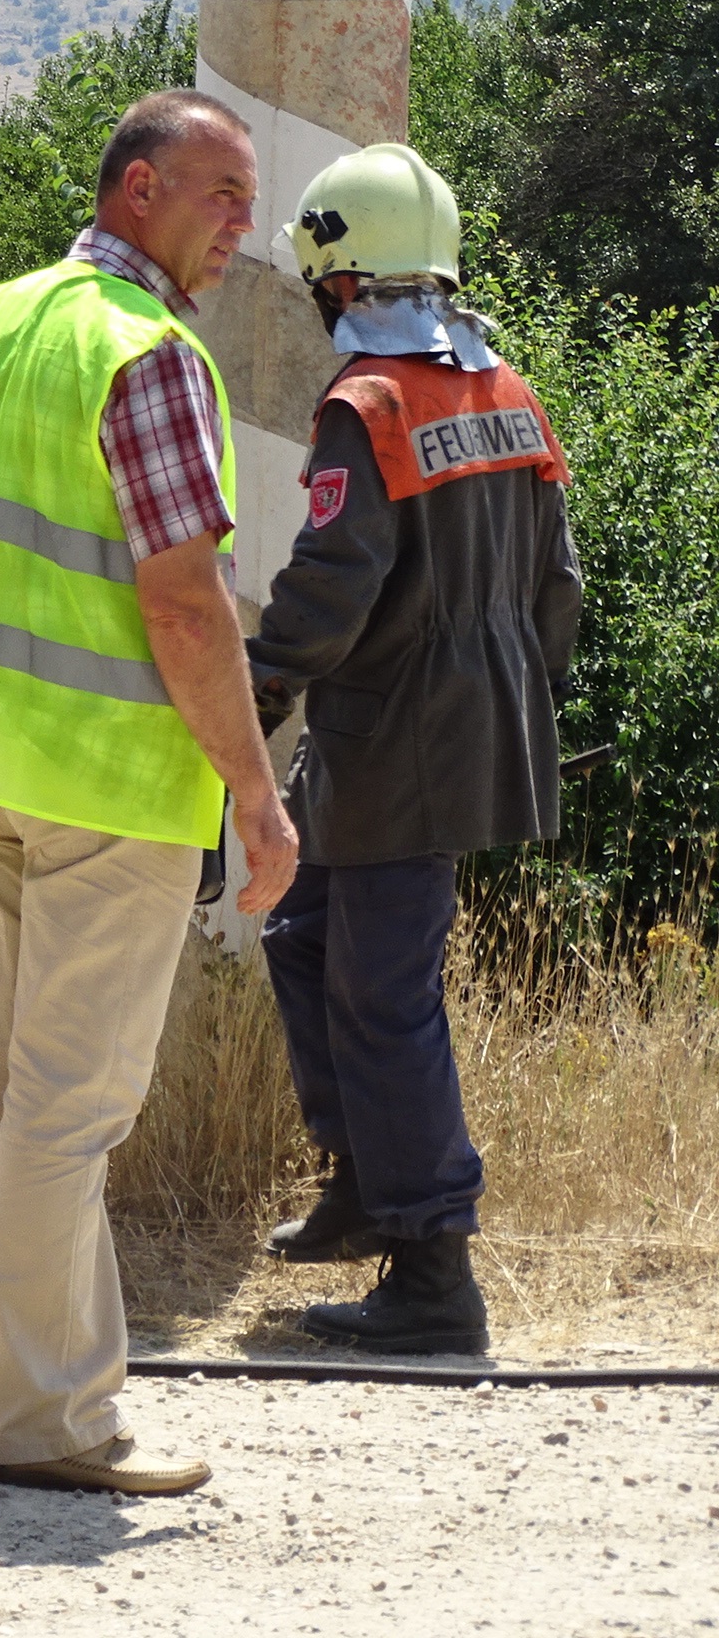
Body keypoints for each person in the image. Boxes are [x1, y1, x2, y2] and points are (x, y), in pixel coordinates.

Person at [0, 89, 299, 1496]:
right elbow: (186, 604)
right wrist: (258, 797)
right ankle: (55, 1426)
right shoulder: (148, 355)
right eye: (220, 193)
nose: (241, 226)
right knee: (65, 1109)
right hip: (107, 780)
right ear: (137, 188)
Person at [248, 143, 581, 1355]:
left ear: (339, 276)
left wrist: (255, 689)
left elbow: (333, 580)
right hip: (467, 722)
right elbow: (558, 590)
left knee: (384, 996)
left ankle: (433, 1269)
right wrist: (501, 696)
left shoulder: (369, 403)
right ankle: (362, 1184)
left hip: (395, 736)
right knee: (304, 936)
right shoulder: (508, 391)